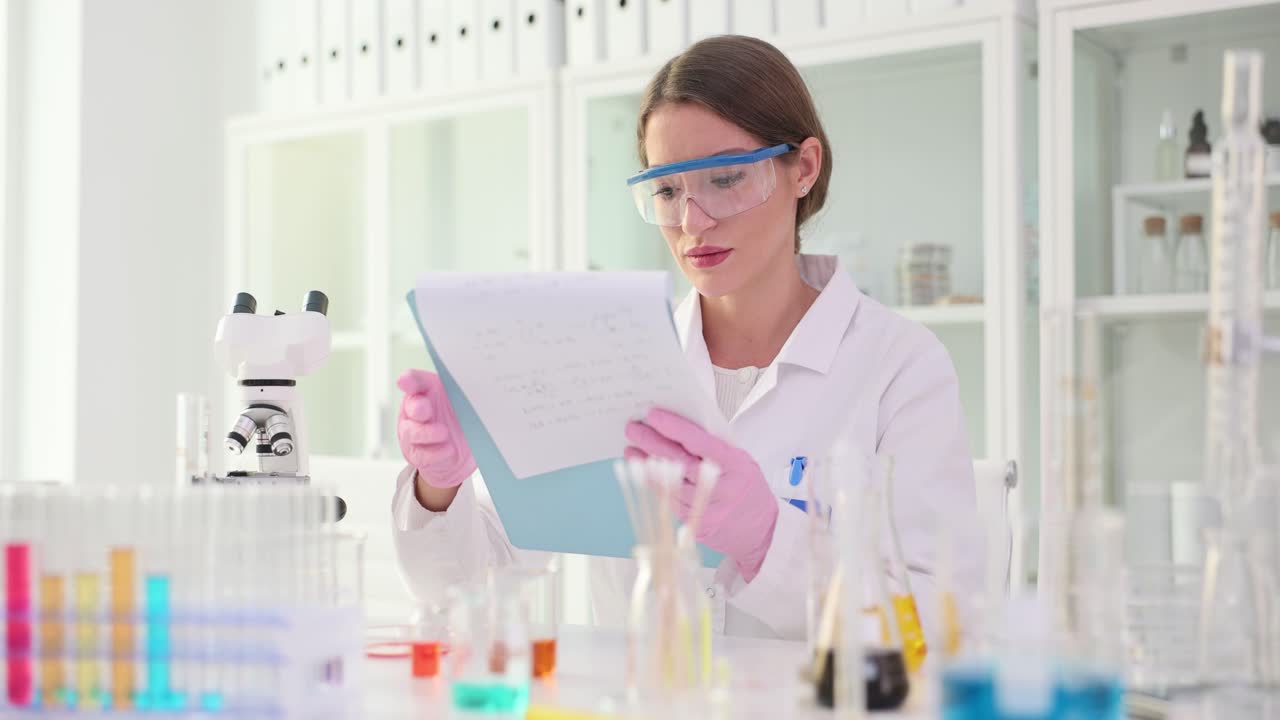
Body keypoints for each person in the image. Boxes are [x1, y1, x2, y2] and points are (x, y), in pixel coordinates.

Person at [392, 35, 983, 640]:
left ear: (804, 168)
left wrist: (768, 540)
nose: (692, 221)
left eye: (725, 178)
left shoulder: (898, 366)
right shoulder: (602, 361)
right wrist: (440, 484)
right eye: (668, 190)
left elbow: (939, 625)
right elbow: (461, 599)